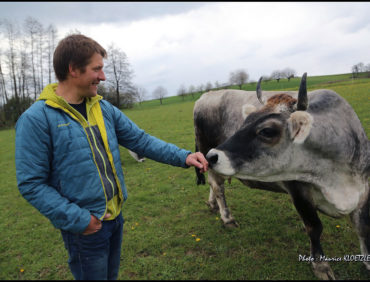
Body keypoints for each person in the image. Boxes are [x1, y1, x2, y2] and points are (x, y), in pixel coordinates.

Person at [15, 34, 208, 280]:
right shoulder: (36, 119)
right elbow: (31, 184)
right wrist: (81, 220)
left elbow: (140, 140)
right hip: (85, 228)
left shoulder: (102, 108)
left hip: (114, 219)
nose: (103, 77)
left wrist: (184, 156)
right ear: (73, 69)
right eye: (97, 69)